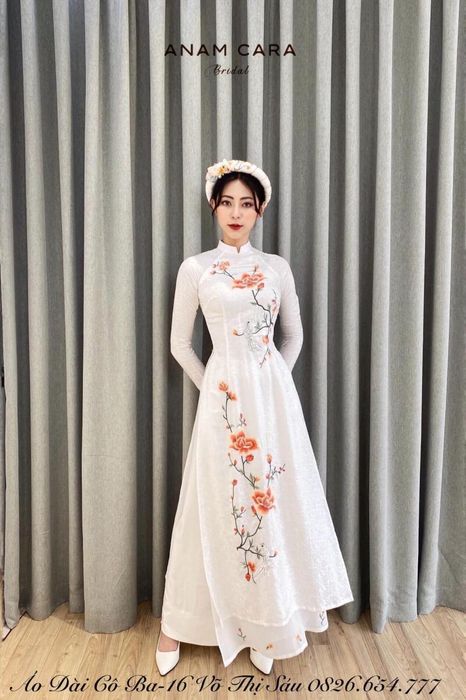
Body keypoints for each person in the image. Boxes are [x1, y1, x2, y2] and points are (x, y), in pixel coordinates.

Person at [155, 159, 354, 676]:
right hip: (222, 403)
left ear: (260, 210)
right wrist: (216, 387)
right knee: (210, 501)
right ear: (213, 206)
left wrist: (272, 381)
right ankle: (177, 622)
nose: (236, 212)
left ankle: (269, 623)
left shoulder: (276, 268)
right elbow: (179, 345)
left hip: (272, 406)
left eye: (247, 203)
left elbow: (294, 336)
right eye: (227, 202)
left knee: (270, 502)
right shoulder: (196, 269)